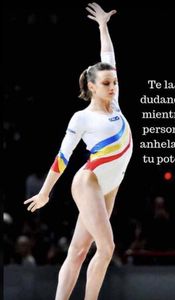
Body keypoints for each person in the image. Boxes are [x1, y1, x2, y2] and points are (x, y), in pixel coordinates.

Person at [24, 3, 133, 300]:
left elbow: (108, 57)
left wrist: (102, 27)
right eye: (107, 84)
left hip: (110, 185)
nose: (113, 87)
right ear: (93, 87)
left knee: (79, 250)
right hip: (90, 182)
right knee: (107, 247)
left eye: (115, 83)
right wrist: (46, 192)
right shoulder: (82, 118)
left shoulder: (116, 103)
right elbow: (62, 157)